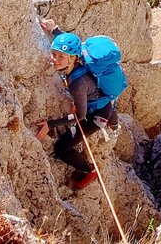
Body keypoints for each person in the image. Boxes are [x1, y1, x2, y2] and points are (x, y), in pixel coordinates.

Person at [36, 18, 119, 190]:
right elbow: (73, 44)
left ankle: (89, 171)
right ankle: (113, 120)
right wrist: (55, 31)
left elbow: (80, 116)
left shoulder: (78, 84)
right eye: (54, 54)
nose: (55, 60)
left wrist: (51, 124)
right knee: (103, 106)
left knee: (62, 148)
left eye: (61, 57)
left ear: (73, 59)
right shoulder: (80, 56)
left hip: (95, 116)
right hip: (103, 101)